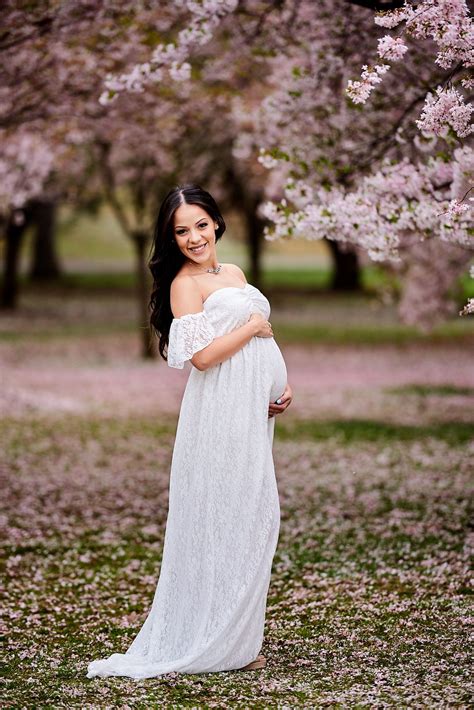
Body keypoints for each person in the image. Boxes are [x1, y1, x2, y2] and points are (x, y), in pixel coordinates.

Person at [87, 184, 293, 680]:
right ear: (171, 238)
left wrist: (278, 387)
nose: (194, 237)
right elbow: (202, 358)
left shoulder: (234, 272)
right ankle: (209, 641)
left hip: (249, 412)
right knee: (224, 520)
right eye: (181, 231)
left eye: (200, 225)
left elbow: (252, 344)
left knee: (253, 519)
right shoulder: (184, 285)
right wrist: (255, 330)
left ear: (217, 223)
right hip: (217, 416)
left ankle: (238, 641)